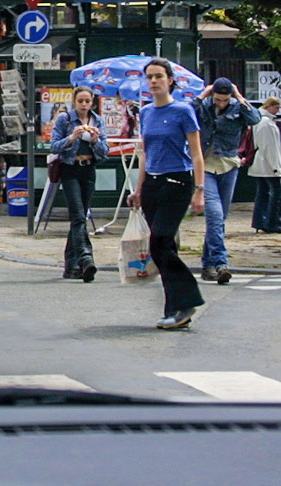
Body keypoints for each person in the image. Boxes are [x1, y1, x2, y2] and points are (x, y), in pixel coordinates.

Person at [127, 57, 207, 330]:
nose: (153, 81)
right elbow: (145, 154)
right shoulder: (146, 112)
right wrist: (138, 189)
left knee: (161, 240)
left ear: (170, 80)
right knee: (162, 247)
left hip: (178, 180)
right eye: (149, 77)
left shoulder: (183, 111)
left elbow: (196, 155)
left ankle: (188, 299)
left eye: (159, 76)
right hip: (153, 182)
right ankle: (175, 308)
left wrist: (199, 190)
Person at [193, 77, 260, 285]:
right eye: (217, 99)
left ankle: (207, 265)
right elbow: (188, 112)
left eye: (224, 99)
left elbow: (255, 118)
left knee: (220, 218)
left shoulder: (237, 108)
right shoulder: (204, 105)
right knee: (214, 213)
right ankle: (221, 264)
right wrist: (203, 94)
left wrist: (239, 97)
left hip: (229, 165)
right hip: (206, 165)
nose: (220, 103)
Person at [49, 86, 109, 282]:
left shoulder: (97, 120)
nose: (84, 105)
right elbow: (54, 145)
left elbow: (104, 151)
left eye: (87, 101)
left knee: (79, 217)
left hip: (88, 169)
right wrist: (72, 137)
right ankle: (85, 257)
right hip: (70, 169)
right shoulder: (65, 119)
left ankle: (71, 266)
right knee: (78, 215)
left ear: (92, 102)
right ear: (74, 102)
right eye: (80, 101)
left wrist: (95, 140)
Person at [249, 97, 281, 234]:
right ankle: (273, 223)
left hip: (260, 163)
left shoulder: (258, 120)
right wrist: (276, 167)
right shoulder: (267, 124)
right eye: (276, 108)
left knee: (263, 193)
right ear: (270, 106)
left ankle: (260, 221)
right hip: (268, 164)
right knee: (276, 193)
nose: (277, 111)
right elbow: (270, 148)